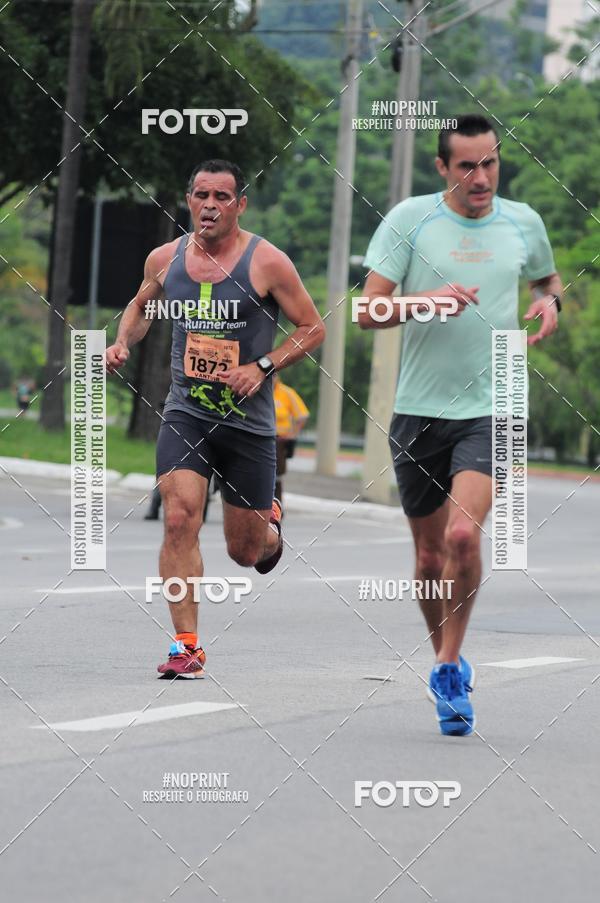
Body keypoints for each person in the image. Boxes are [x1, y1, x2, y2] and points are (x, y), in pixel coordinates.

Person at [359, 114, 561, 735]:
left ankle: (448, 666)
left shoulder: (523, 221)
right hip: (419, 408)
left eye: (491, 164)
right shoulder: (409, 220)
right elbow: (368, 311)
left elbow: (548, 281)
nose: (482, 178)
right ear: (442, 168)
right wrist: (427, 302)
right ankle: (443, 653)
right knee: (426, 558)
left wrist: (548, 301)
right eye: (468, 166)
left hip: (495, 404)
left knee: (463, 540)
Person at [106, 159, 325, 678]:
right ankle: (186, 646)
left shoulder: (266, 261)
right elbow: (140, 307)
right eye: (201, 194)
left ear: (239, 205)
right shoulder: (165, 258)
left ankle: (269, 523)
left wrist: (263, 365)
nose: (210, 205)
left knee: (245, 552)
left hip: (247, 423)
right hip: (186, 412)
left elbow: (312, 328)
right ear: (189, 201)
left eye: (222, 196)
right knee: (180, 516)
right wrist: (121, 342)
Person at [273, 373, 309, 504]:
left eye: (274, 376)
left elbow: (302, 415)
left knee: (275, 475)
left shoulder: (286, 393)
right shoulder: (258, 390)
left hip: (278, 439)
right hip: (259, 436)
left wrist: (293, 434)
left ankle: (277, 507)